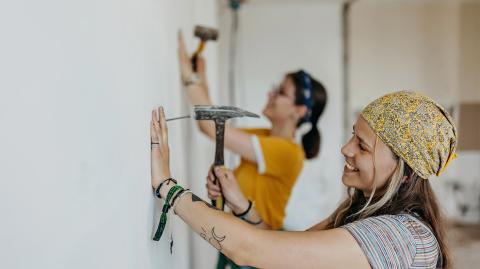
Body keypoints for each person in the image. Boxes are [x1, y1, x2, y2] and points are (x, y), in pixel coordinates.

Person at [150, 90, 456, 268]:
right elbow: (284, 248)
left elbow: (251, 249)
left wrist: (167, 186)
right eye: (353, 135)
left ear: (406, 173)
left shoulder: (402, 238)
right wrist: (243, 206)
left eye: (362, 146)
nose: (345, 149)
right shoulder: (359, 212)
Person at [177, 33, 328, 231]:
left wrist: (188, 72)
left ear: (298, 111)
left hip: (261, 250)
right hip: (243, 240)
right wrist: (201, 76)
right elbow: (211, 126)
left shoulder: (289, 153)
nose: (270, 94)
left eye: (281, 92)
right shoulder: (264, 136)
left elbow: (211, 126)